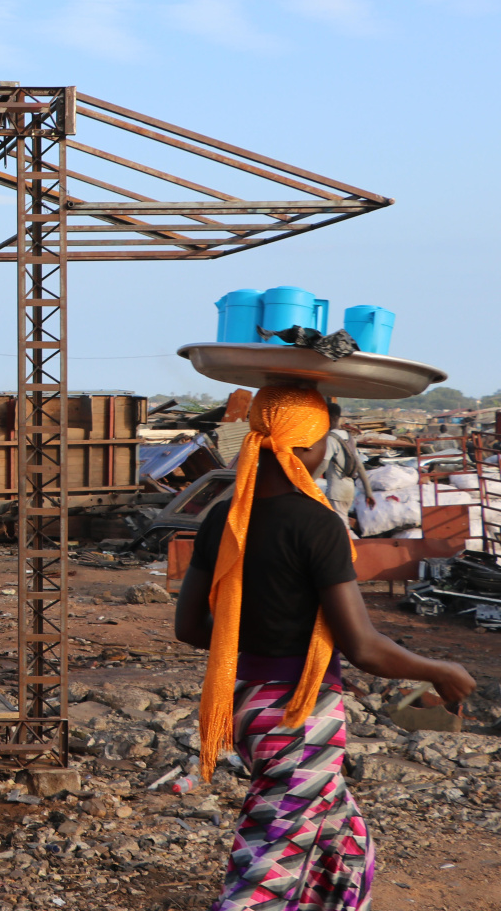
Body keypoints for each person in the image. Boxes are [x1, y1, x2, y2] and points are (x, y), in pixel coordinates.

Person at [175, 386, 475, 911]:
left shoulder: (225, 519)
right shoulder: (317, 524)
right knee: (262, 877)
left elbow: (192, 627)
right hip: (298, 715)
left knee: (345, 842)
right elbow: (363, 645)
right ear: (308, 447)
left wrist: (268, 637)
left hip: (245, 702)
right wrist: (439, 670)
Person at [323, 402, 375, 533]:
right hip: (349, 490)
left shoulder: (331, 439)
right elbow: (360, 467)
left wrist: (306, 482)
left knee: (340, 528)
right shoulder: (349, 438)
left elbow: (323, 465)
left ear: (331, 418)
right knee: (337, 524)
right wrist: (369, 493)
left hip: (336, 491)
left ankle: (350, 552)